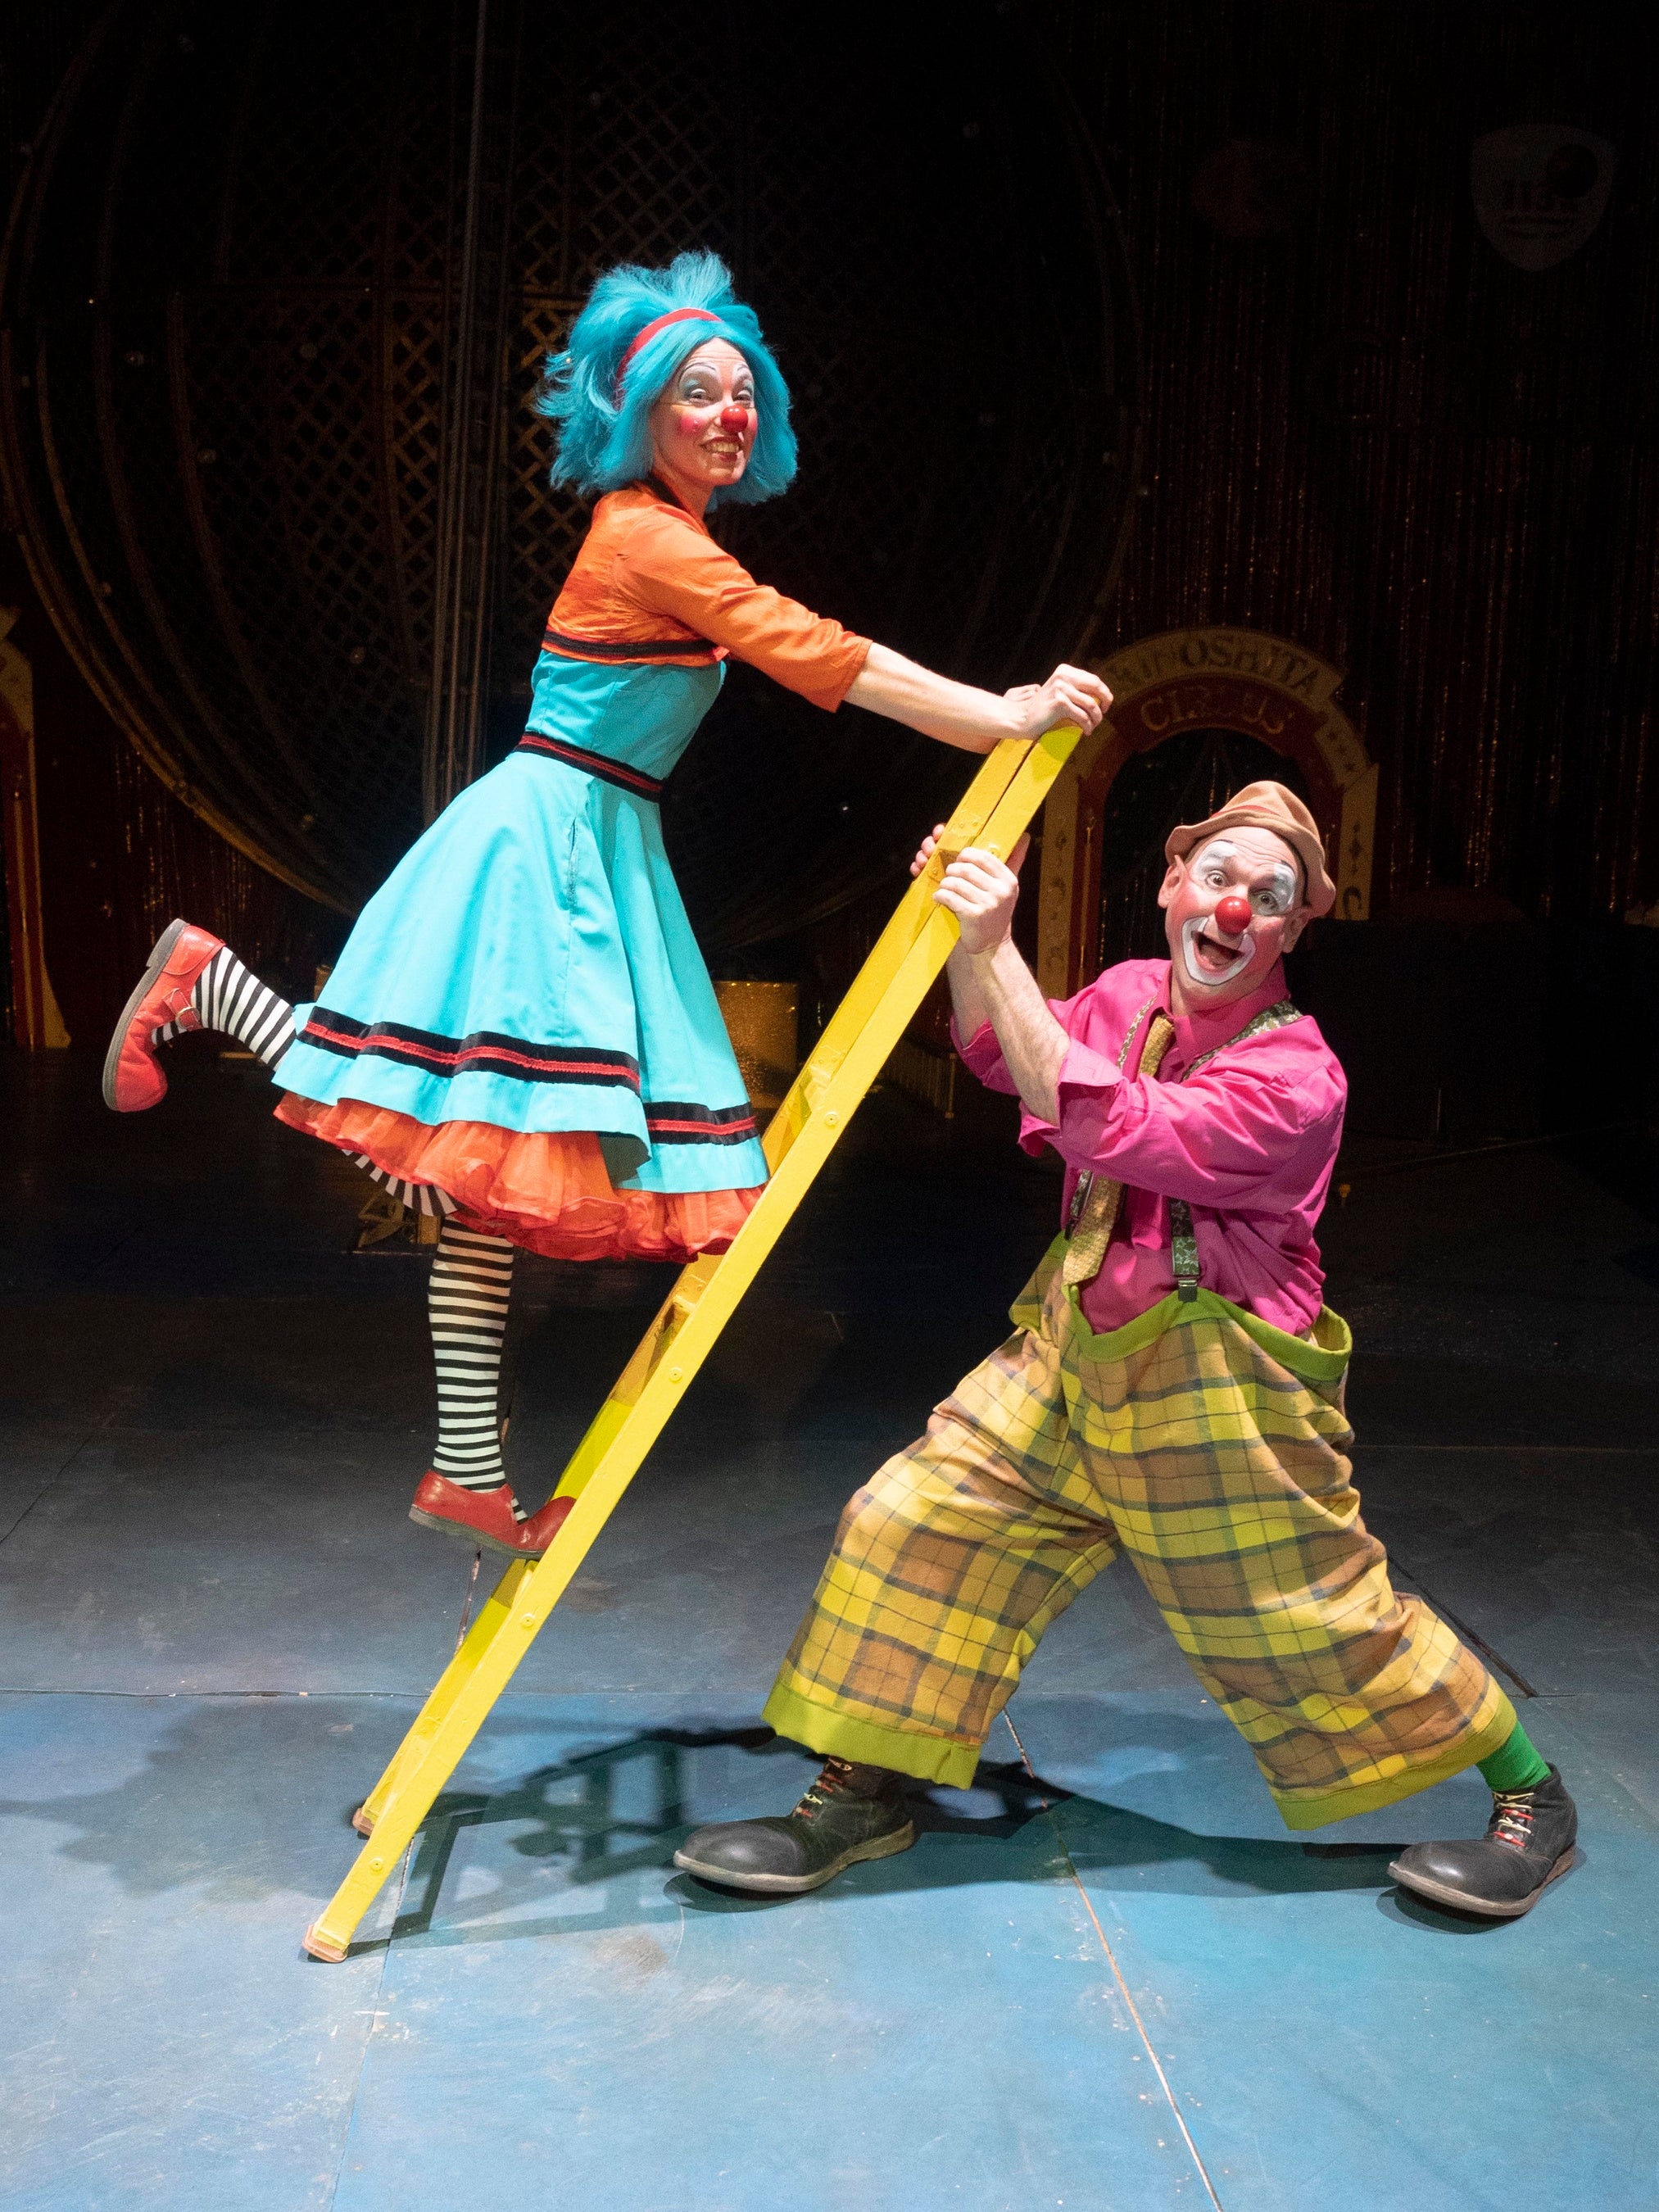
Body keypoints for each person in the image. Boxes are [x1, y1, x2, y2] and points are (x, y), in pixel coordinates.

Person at [102, 252, 1110, 1563]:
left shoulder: (675, 537)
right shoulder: (644, 534)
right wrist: (1001, 714)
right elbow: (812, 650)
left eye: (743, 394)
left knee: (484, 1176)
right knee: (456, 1142)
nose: (728, 414)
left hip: (598, 834)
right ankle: (217, 987)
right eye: (698, 392)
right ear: (641, 414)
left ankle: (468, 1472)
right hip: (549, 843)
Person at [674, 782, 1577, 1920]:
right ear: (1170, 885)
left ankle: (1532, 1797)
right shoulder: (1125, 994)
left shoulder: (1299, 1077)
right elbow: (999, 1051)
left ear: (1293, 929)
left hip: (1221, 1382)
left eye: (1268, 896)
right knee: (913, 1524)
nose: (1234, 910)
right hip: (1069, 1352)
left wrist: (994, 943)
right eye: (1218, 877)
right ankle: (863, 1788)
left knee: (1311, 1614)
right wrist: (968, 939)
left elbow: (1109, 1125)